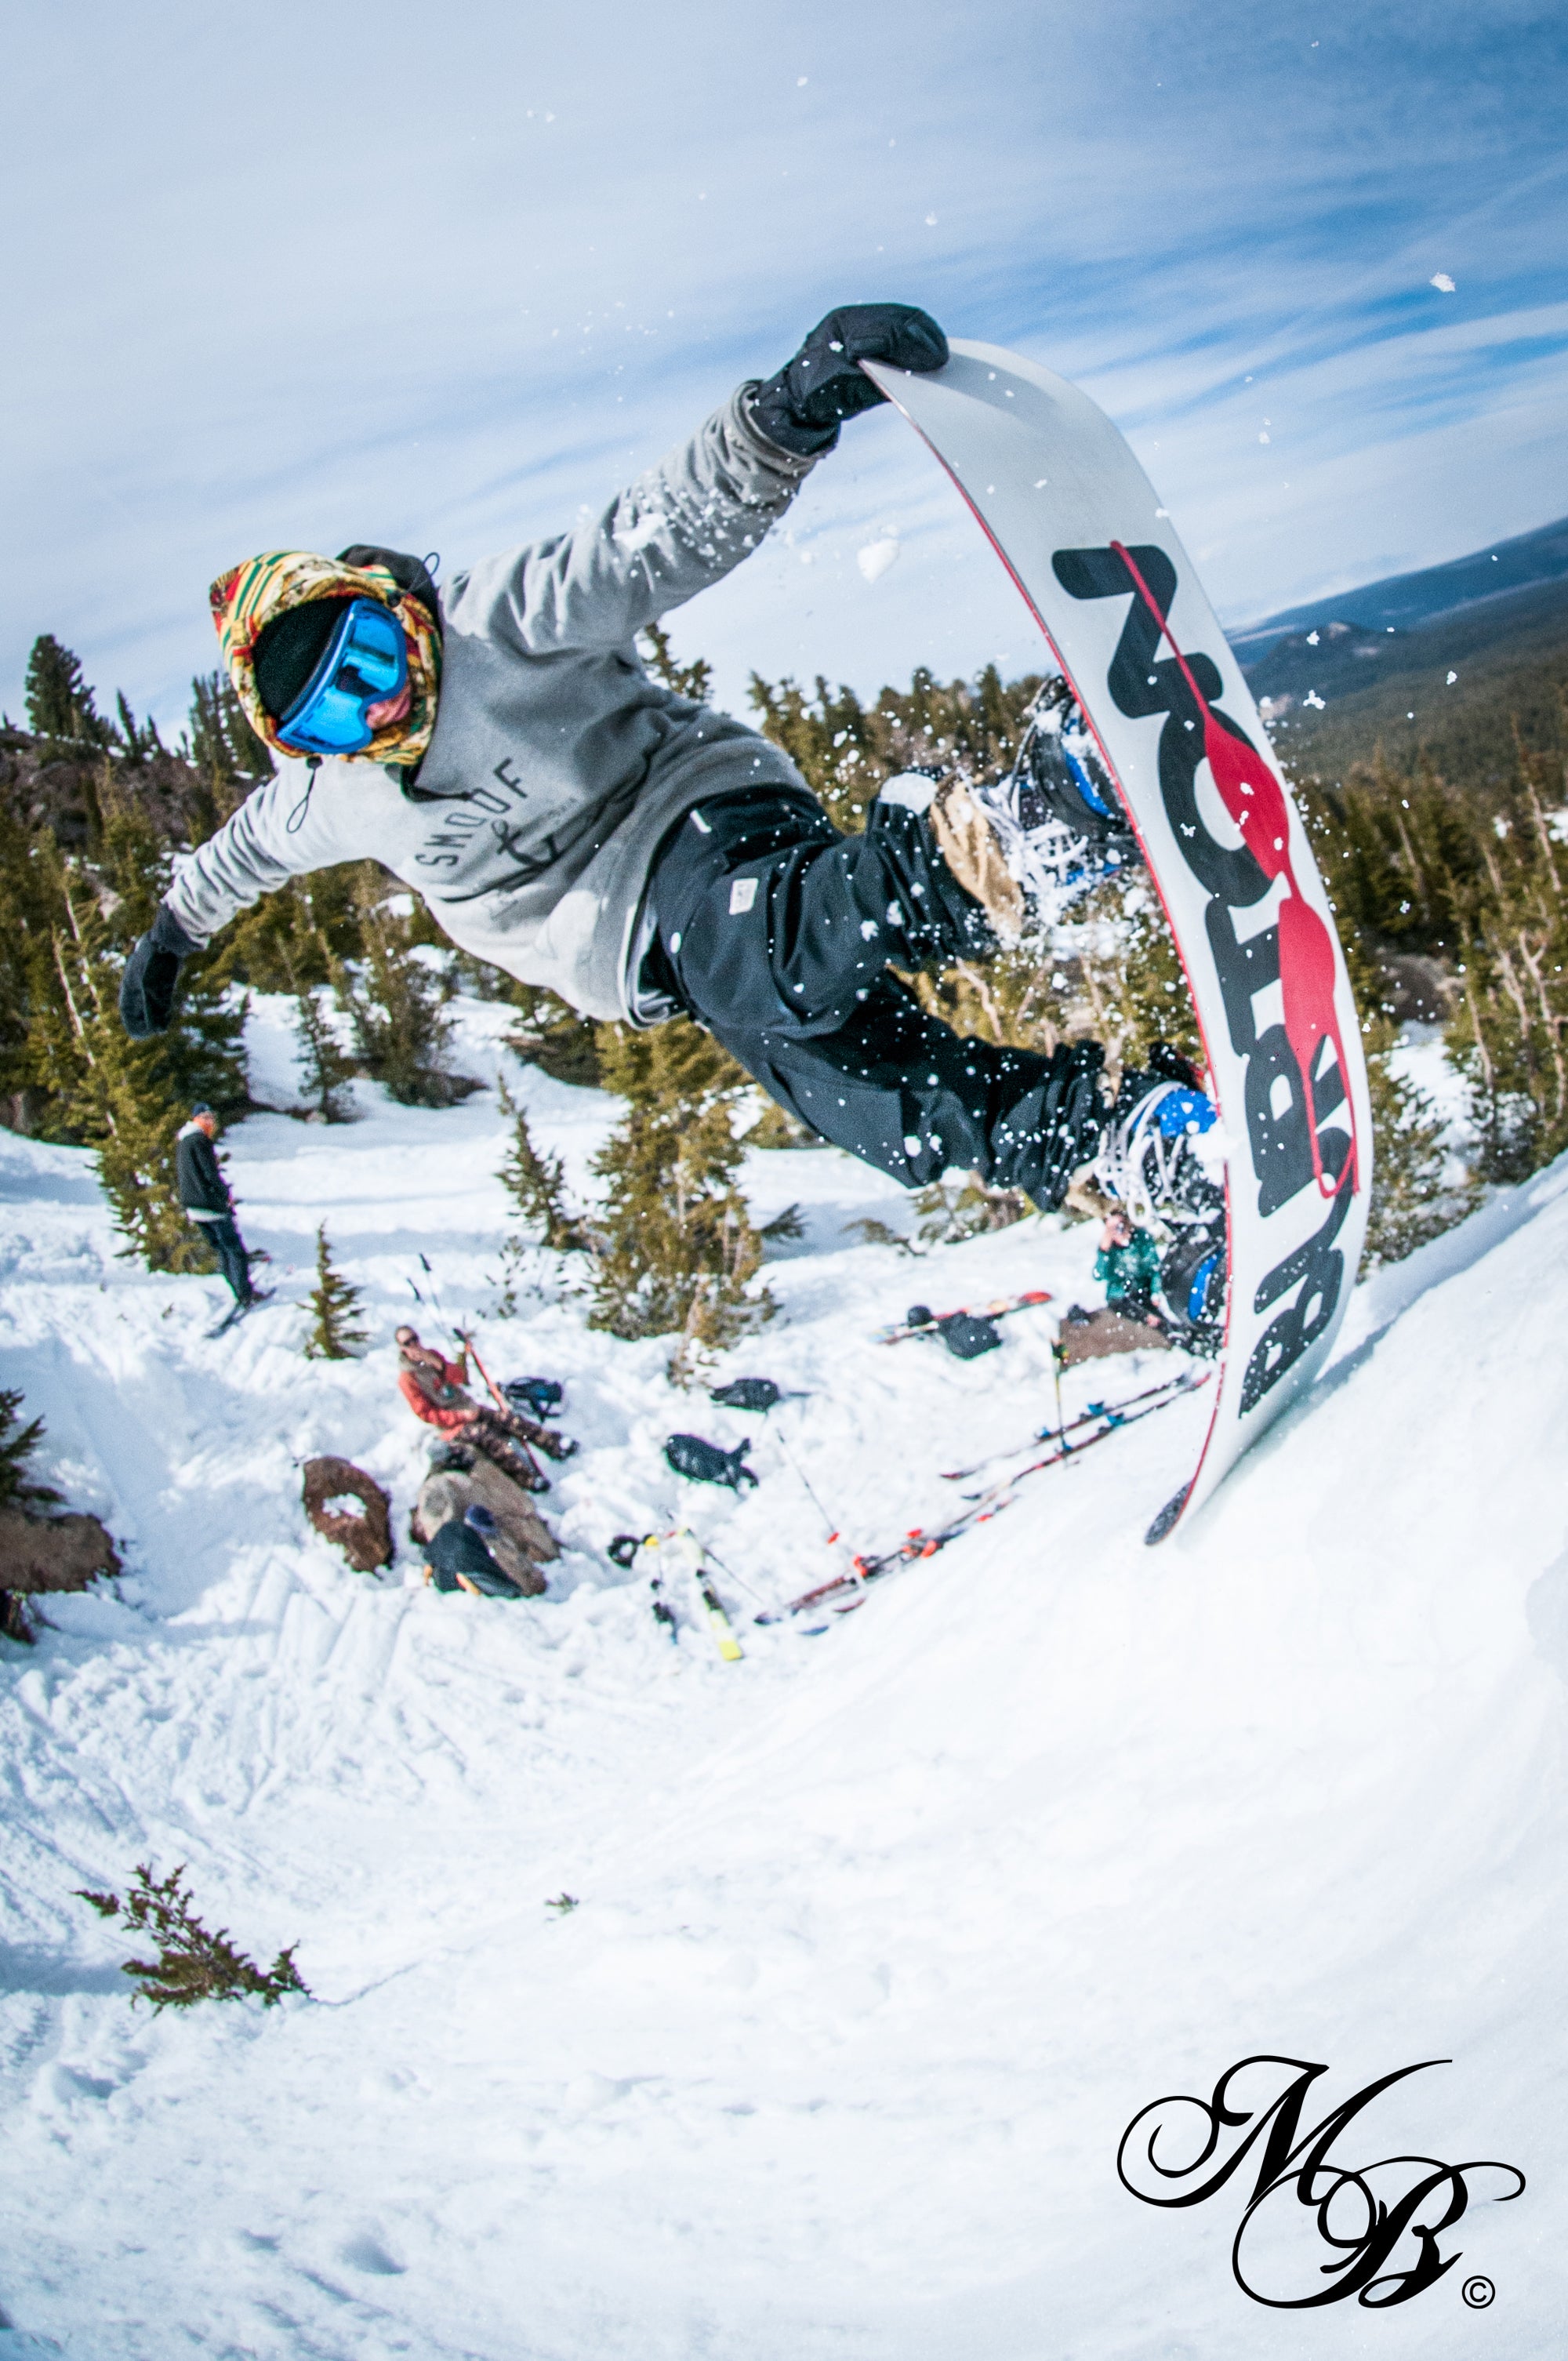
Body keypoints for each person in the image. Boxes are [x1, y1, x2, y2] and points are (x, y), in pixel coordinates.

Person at [119, 303, 1211, 1220]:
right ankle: (1125, 1139)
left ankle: (1012, 836)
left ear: (382, 602)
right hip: (640, 958)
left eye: (367, 648)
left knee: (749, 948)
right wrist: (170, 941)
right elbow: (235, 858)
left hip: (698, 817)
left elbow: (646, 536)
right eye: (337, 712)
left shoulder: (492, 623)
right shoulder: (336, 803)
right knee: (883, 1113)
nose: (381, 695)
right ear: (304, 749)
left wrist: (781, 419)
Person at [394, 1324, 573, 1493]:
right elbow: (427, 1414)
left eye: (414, 1339)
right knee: (489, 1436)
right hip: (451, 1425)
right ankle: (527, 1478)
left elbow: (459, 1377)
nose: (414, 1346)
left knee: (508, 1419)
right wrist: (459, 1416)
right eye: (407, 1343)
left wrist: (439, 1365)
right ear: (402, 1348)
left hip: (468, 1406)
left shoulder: (431, 1356)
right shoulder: (407, 1379)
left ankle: (553, 1443)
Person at [175, 1104, 268, 1309]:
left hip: (193, 1207)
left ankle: (237, 1290)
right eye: (204, 1118)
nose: (209, 1122)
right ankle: (245, 1294)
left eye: (211, 1117)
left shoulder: (183, 1142)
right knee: (234, 1250)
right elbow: (210, 1174)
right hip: (210, 1206)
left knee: (222, 1250)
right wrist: (224, 1195)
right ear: (195, 1120)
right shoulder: (200, 1141)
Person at [422, 1502, 529, 1600]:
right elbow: (485, 1566)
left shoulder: (449, 1527)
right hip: (461, 1579)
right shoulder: (470, 1539)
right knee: (508, 1590)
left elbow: (429, 1553)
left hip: (438, 1575)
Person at [1094, 1210, 1165, 1326]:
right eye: (1112, 1226)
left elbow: (1155, 1269)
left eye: (1121, 1223)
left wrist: (1155, 1293)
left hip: (1144, 1290)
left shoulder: (1141, 1240)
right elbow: (1098, 1275)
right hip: (1120, 1296)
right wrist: (1104, 1251)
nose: (1118, 1229)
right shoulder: (1109, 1250)